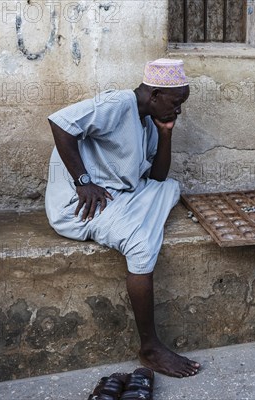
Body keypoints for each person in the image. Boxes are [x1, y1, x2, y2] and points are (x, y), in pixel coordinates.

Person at [45, 59, 201, 378]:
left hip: (121, 193)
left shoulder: (148, 120)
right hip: (81, 204)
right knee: (142, 244)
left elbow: (157, 177)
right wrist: (83, 181)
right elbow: (61, 123)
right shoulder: (118, 103)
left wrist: (167, 134)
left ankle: (137, 219)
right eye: (176, 102)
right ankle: (150, 346)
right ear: (155, 94)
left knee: (168, 188)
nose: (179, 110)